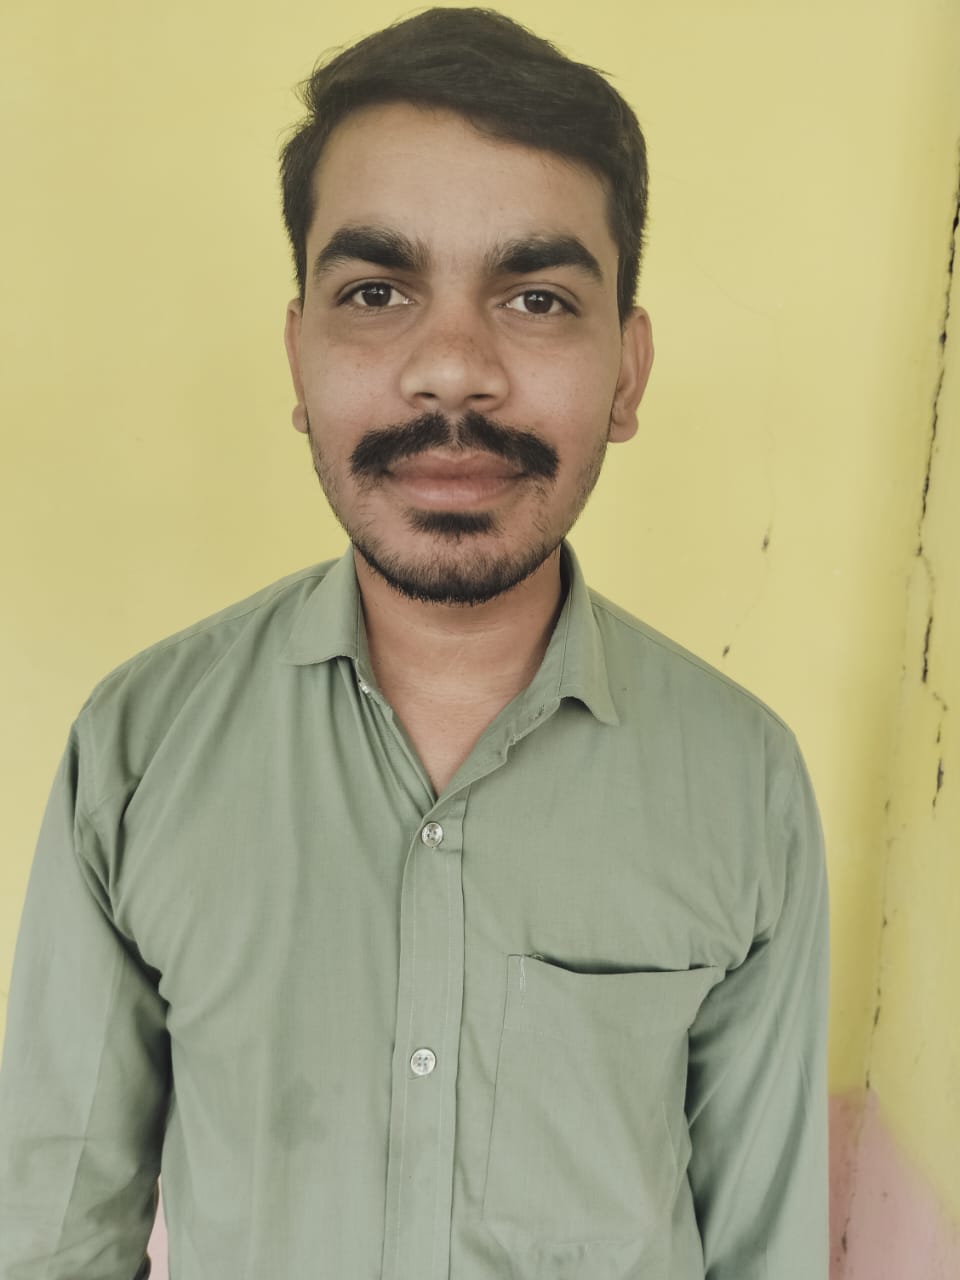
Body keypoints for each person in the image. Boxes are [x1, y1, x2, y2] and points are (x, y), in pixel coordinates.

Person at [0, 8, 829, 1278]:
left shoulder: (743, 782)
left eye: (537, 297)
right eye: (377, 292)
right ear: (299, 355)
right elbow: (51, 1240)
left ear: (626, 372)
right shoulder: (139, 749)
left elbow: (766, 1249)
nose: (452, 369)